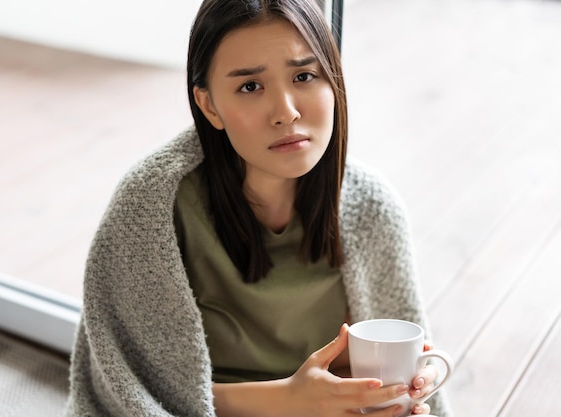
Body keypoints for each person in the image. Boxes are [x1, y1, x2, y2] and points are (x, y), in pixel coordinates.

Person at [64, 0, 453, 416]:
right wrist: (288, 400)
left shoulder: (371, 209)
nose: (286, 112)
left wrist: (391, 390)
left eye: (304, 75)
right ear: (209, 104)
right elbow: (128, 386)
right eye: (250, 86)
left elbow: (350, 368)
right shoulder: (153, 207)